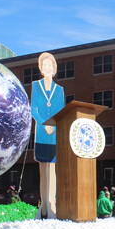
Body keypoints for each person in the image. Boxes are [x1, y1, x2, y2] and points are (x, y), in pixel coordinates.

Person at [31, 52, 65, 219]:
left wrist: (54, 126)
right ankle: (43, 206)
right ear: (41, 68)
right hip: (41, 135)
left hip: (54, 134)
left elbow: (61, 111)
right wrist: (45, 124)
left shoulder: (59, 90)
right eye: (44, 66)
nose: (47, 69)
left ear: (54, 69)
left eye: (50, 66)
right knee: (43, 170)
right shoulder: (36, 86)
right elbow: (33, 110)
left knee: (52, 169)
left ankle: (51, 204)